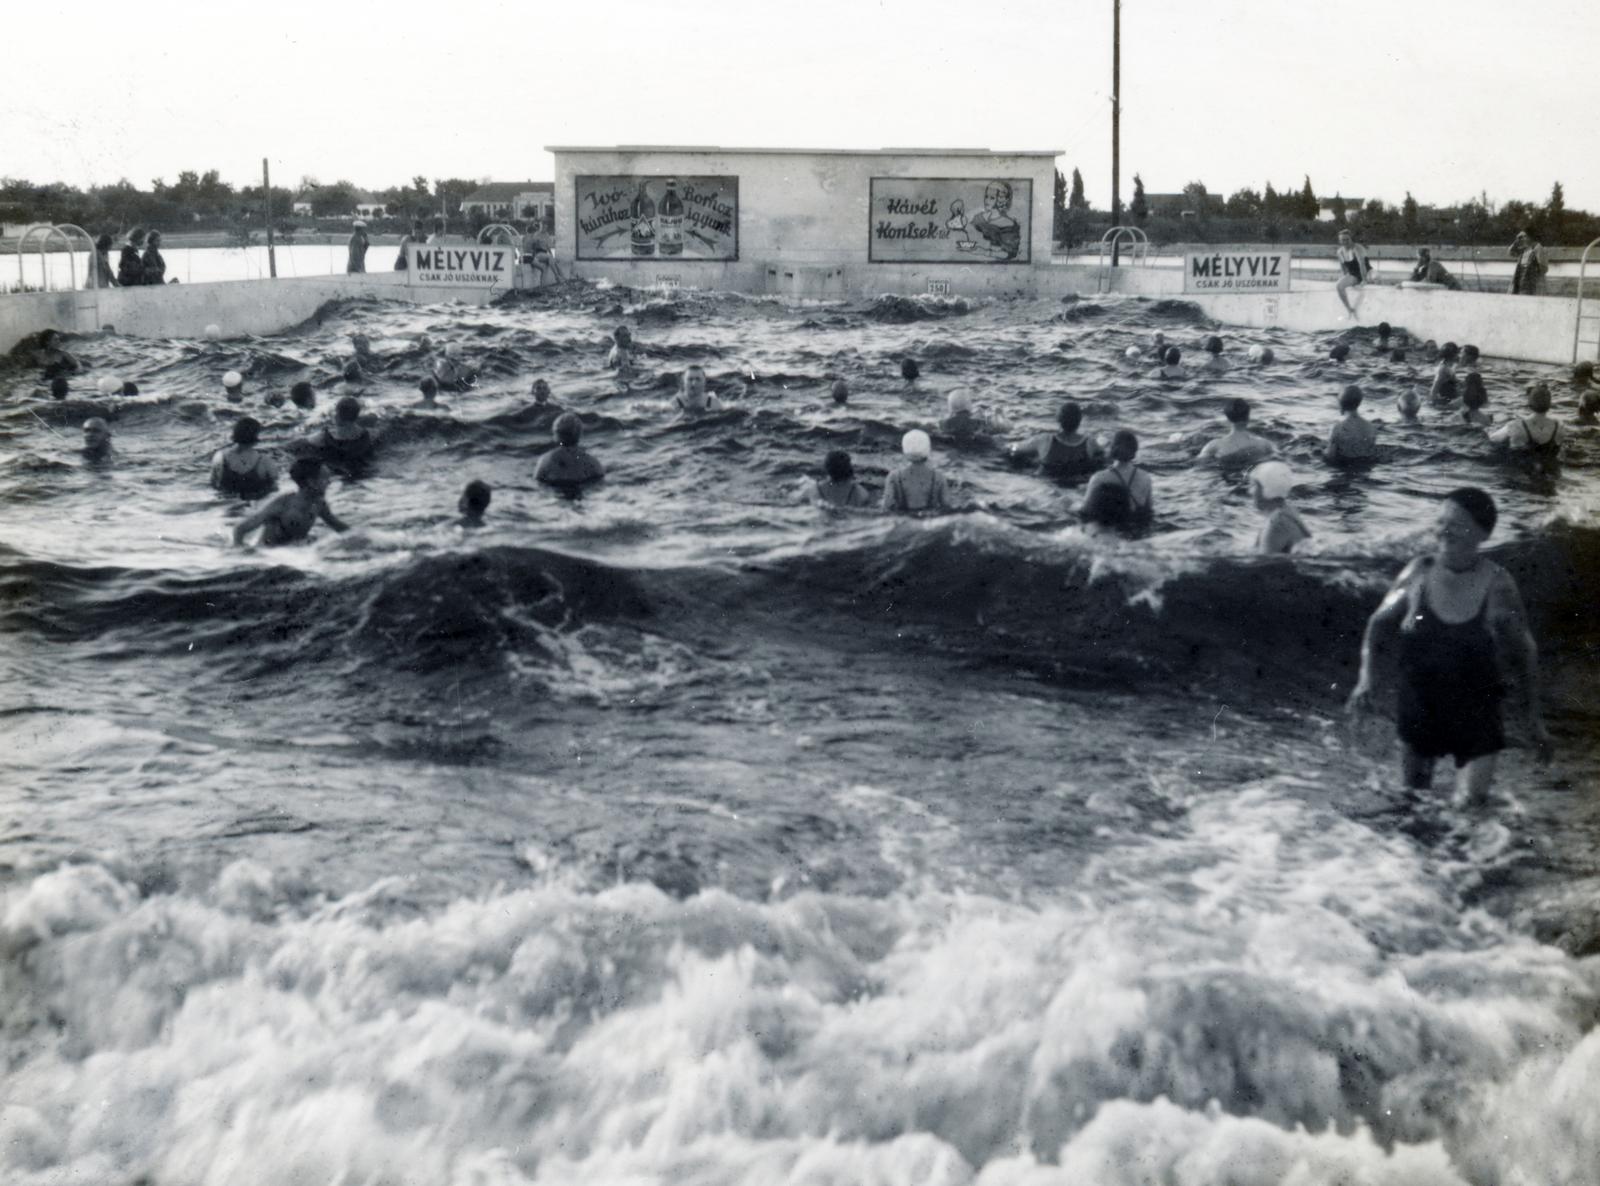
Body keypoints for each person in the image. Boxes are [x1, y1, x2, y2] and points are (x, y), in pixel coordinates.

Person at [1347, 487, 1551, 805]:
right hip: (1420, 708)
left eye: (1455, 523)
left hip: (1477, 713)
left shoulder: (1498, 584)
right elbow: (1377, 624)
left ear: (1482, 533)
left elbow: (1525, 650)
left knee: (1470, 805)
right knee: (1413, 804)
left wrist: (1533, 720)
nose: (1443, 529)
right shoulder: (1419, 572)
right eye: (1441, 520)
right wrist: (1365, 679)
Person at [232, 457, 349, 546]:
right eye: (325, 478)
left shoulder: (318, 504)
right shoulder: (283, 504)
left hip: (293, 555)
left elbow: (339, 527)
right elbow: (239, 529)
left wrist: (361, 537)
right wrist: (242, 556)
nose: (329, 482)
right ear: (311, 482)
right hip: (268, 558)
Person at [1011, 400, 1103, 482]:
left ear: (1058, 419)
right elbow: (1103, 455)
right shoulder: (1090, 443)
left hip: (1046, 484)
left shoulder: (1045, 440)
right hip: (1077, 485)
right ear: (1079, 421)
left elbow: (1016, 449)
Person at [1079, 429, 1153, 530]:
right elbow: (1148, 511)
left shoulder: (1099, 477)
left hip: (1105, 529)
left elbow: (1085, 511)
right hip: (1133, 527)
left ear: (1112, 449)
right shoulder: (1146, 477)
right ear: (1134, 451)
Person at [1489, 383, 1564, 470]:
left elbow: (1493, 439)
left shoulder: (1516, 426)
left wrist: (1490, 429)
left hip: (1521, 472)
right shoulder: (1559, 427)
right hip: (1550, 471)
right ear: (1549, 405)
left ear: (1529, 404)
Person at [882, 429, 950, 513]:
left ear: (904, 449)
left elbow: (887, 506)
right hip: (928, 522)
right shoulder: (938, 477)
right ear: (928, 449)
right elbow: (946, 506)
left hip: (903, 522)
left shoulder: (894, 477)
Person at [211, 416, 278, 500]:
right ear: (256, 436)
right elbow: (274, 489)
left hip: (229, 506)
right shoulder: (264, 461)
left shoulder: (220, 456)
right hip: (256, 507)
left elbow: (214, 485)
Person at [1250, 461, 1310, 554]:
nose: (1250, 491)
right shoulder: (1287, 510)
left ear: (1267, 489)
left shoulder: (1276, 524)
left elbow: (1263, 565)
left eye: (1254, 486)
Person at [534, 412, 605, 492]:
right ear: (580, 434)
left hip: (555, 489)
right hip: (582, 487)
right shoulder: (592, 462)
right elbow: (600, 479)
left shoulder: (545, 460)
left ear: (556, 435)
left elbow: (538, 480)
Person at [308, 395, 376, 472]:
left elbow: (307, 441)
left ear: (337, 415)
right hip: (362, 470)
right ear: (357, 415)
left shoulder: (325, 435)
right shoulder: (366, 435)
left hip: (334, 471)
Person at [1199, 398, 1276, 465]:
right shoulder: (1265, 444)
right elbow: (1278, 456)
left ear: (1227, 419)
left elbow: (1200, 463)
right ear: (1248, 417)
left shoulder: (1214, 446)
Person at [1326, 385, 1379, 463]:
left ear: (1341, 405)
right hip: (1365, 469)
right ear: (1359, 403)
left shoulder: (1337, 428)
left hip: (1344, 468)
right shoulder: (1371, 427)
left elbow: (1330, 456)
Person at [1335, 229, 1373, 315]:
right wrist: (1344, 279)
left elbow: (1362, 264)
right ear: (1340, 241)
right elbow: (1343, 268)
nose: (1345, 242)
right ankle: (1349, 309)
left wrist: (1364, 279)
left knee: (1375, 279)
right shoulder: (1339, 252)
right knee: (1338, 286)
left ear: (1351, 238)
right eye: (1343, 240)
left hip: (1366, 272)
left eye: (1347, 239)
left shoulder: (1357, 248)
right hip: (1353, 274)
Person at [1509, 230, 1547, 295]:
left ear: (1530, 237)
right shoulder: (1523, 248)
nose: (1523, 239)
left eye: (1525, 236)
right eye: (1521, 237)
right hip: (1520, 277)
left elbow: (1543, 267)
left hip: (1531, 280)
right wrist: (1516, 240)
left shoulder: (1537, 247)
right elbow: (1511, 252)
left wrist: (1535, 274)